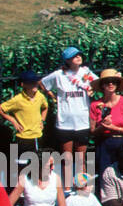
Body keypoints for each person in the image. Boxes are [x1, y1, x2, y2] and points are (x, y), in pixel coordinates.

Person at [39, 47, 97, 177]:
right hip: (65, 123)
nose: (78, 57)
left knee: (81, 159)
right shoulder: (59, 75)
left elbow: (98, 84)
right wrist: (52, 96)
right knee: (67, 159)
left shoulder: (86, 72)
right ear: (67, 60)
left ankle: (82, 187)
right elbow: (42, 84)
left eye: (79, 55)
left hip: (82, 122)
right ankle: (67, 188)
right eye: (74, 56)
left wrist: (92, 90)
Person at [89, 69, 123, 179]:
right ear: (102, 85)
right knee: (104, 176)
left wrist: (114, 128)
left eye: (114, 81)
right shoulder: (95, 105)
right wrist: (103, 127)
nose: (111, 84)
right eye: (107, 81)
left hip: (122, 143)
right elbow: (92, 131)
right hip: (104, 144)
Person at [0, 71, 49, 155]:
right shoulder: (18, 100)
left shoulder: (40, 96)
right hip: (24, 138)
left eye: (35, 82)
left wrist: (42, 120)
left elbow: (45, 107)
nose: (35, 84)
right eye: (31, 83)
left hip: (38, 136)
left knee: (38, 163)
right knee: (23, 165)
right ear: (23, 84)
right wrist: (13, 120)